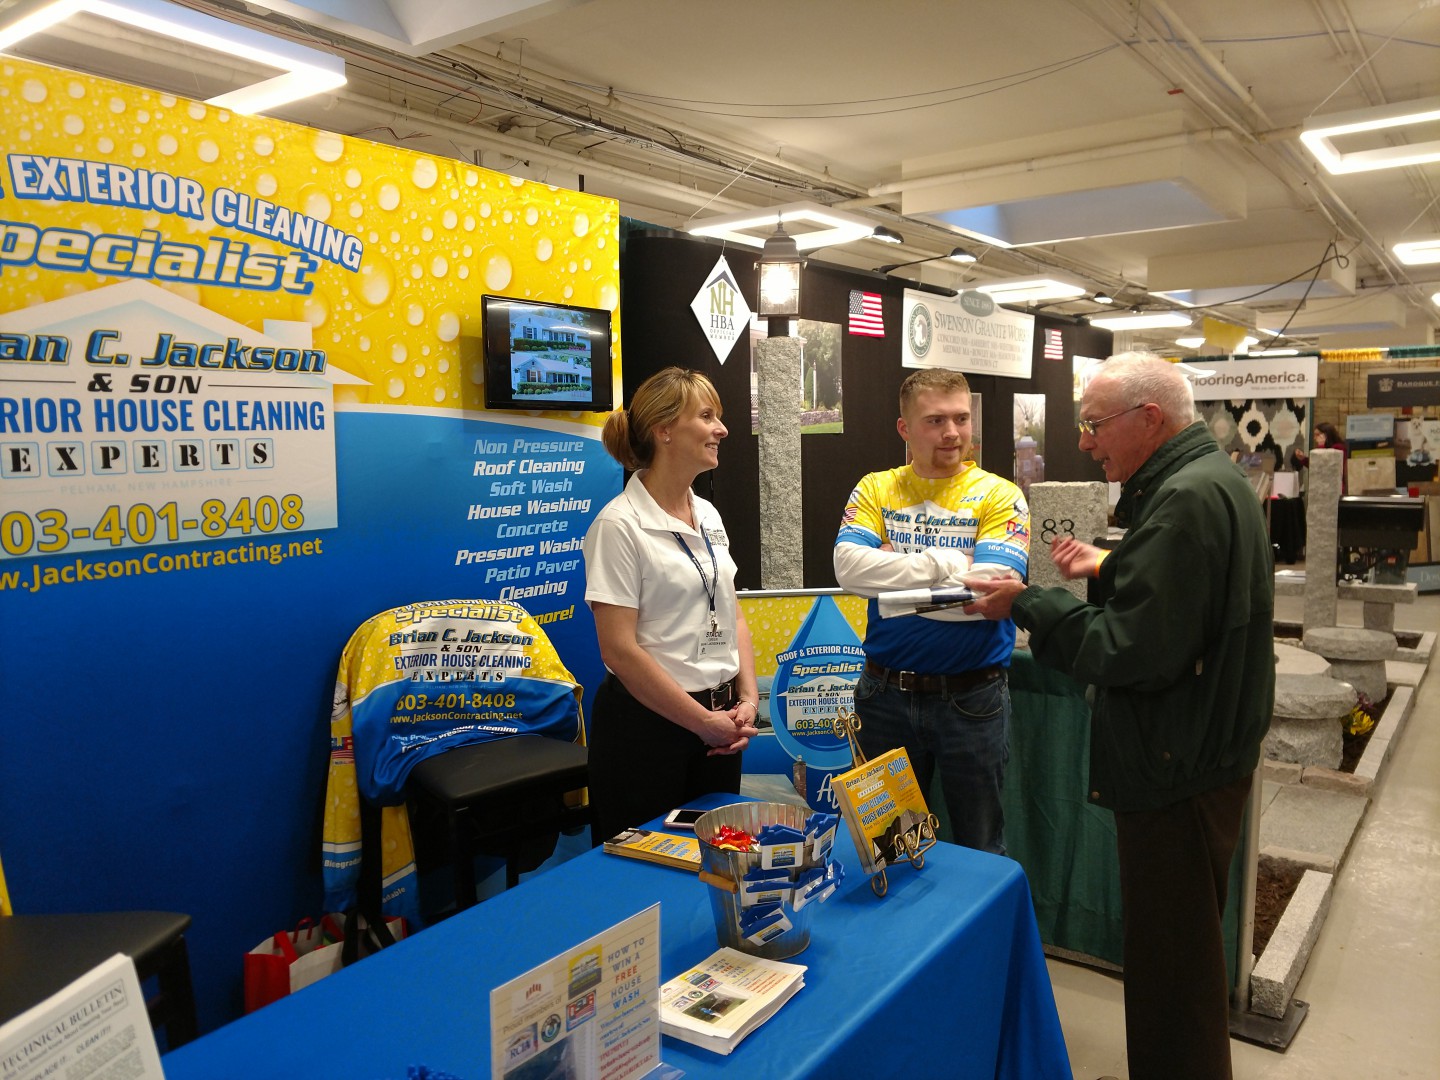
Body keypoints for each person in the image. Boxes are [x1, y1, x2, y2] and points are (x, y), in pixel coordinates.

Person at [966, 352, 1275, 1080]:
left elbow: (1129, 650)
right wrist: (1108, 568)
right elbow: (1185, 601)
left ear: (1150, 418)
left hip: (1176, 765)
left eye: (1095, 424)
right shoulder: (1210, 482)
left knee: (1171, 968)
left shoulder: (1185, 500)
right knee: (1182, 959)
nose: (1084, 441)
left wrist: (1029, 603)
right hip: (1201, 755)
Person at [833, 368, 1029, 855]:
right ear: (905, 428)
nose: (952, 433)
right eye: (936, 420)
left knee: (981, 848)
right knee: (889, 850)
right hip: (883, 696)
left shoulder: (1001, 494)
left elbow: (986, 597)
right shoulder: (876, 487)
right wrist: (947, 563)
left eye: (961, 418)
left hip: (972, 699)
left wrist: (890, 579)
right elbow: (848, 570)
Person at [583, 367, 759, 845]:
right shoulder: (618, 525)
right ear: (664, 430)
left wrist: (747, 700)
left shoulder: (709, 513)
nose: (722, 429)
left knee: (713, 861)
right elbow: (619, 650)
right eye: (707, 416)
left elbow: (732, 612)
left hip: (720, 728)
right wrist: (701, 723)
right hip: (648, 731)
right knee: (644, 871)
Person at [1292, 420, 1348, 494]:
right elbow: (1316, 466)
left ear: (1326, 435)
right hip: (1322, 486)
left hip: (1334, 486)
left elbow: (1328, 466)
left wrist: (1321, 446)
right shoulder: (1324, 448)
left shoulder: (1338, 448)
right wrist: (1303, 459)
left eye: (1317, 435)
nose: (1315, 438)